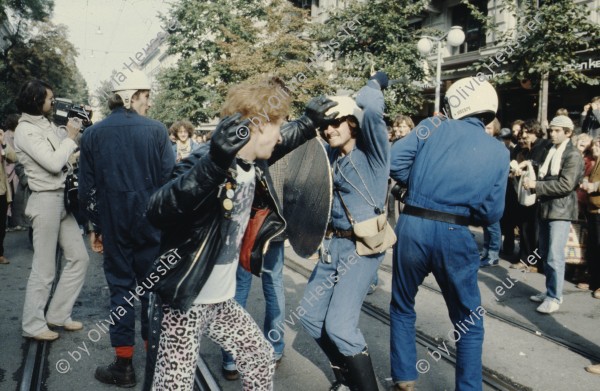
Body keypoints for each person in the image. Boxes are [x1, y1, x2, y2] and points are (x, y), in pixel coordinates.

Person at [145, 76, 337, 391]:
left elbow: (285, 140)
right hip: (186, 301)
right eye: (278, 124)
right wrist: (213, 165)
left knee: (260, 357)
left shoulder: (252, 162)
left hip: (221, 301)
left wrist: (307, 123)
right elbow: (158, 210)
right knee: (173, 386)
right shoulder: (207, 161)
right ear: (258, 126)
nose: (280, 133)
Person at [389, 77, 509, 391]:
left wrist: (414, 189)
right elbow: (492, 214)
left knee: (402, 304)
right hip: (456, 231)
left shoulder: (432, 125)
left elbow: (393, 161)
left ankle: (404, 378)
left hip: (413, 223)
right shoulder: (499, 152)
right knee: (469, 320)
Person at [78, 70, 175, 387]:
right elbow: (169, 182)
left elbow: (87, 190)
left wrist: (97, 226)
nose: (149, 102)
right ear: (133, 96)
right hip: (152, 226)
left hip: (115, 224)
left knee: (121, 291)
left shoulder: (92, 135)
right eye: (146, 96)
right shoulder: (157, 131)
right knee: (152, 292)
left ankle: (124, 365)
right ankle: (155, 358)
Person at [299, 71, 390, 391]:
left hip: (361, 248)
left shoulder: (374, 154)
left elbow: (373, 110)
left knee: (339, 326)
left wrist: (375, 83)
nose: (329, 129)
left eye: (336, 122)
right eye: (326, 125)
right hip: (331, 247)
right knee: (309, 316)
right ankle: (346, 378)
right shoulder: (330, 156)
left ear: (353, 122)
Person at [15, 79, 90, 341]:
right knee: (44, 268)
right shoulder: (25, 130)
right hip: (45, 199)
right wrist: (69, 137)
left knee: (79, 257)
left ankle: (57, 314)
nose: (52, 103)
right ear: (37, 101)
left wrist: (77, 132)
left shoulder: (45, 124)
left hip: (61, 199)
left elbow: (67, 153)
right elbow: (54, 162)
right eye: (49, 99)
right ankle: (32, 324)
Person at [524, 115, 583, 314]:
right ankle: (550, 291)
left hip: (561, 209)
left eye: (557, 130)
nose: (552, 133)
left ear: (568, 133)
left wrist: (536, 186)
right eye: (551, 130)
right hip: (547, 207)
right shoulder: (552, 150)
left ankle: (555, 297)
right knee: (546, 252)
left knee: (554, 255)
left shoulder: (572, 155)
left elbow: (566, 184)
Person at [480, 118, 503, 268]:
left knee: (493, 223)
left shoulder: (498, 146)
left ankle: (493, 255)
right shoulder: (481, 144)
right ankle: (486, 251)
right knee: (485, 222)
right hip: (482, 188)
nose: (486, 131)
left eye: (489, 128)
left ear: (495, 130)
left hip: (493, 189)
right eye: (485, 128)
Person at [0, 127, 18, 264]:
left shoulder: (2, 142)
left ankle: (0, 253)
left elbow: (14, 157)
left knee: (1, 224)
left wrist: (4, 143)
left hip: (1, 190)